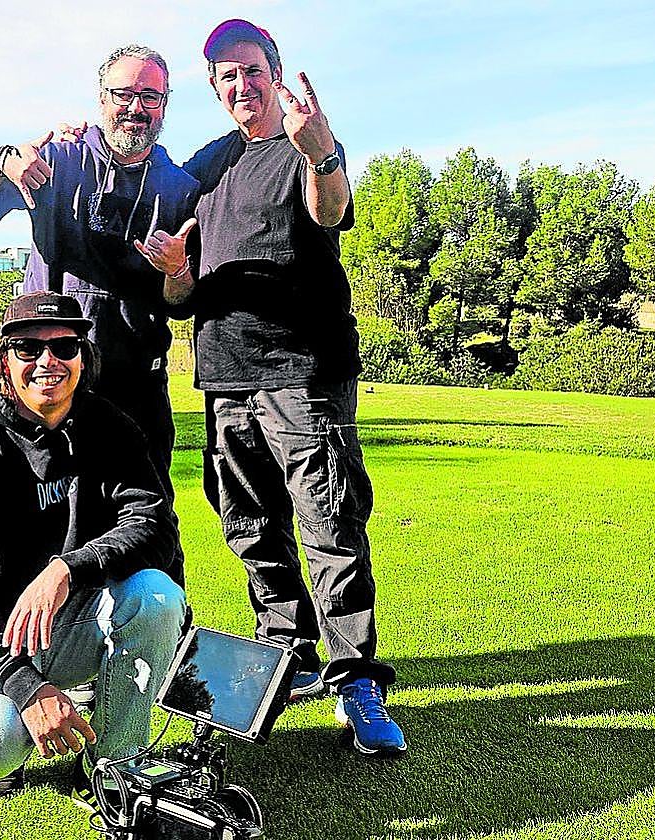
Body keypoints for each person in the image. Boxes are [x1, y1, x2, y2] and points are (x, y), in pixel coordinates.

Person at [137, 19, 406, 756]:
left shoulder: (304, 144)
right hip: (223, 377)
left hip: (303, 376)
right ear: (214, 88)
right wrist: (172, 270)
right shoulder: (206, 166)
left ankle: (355, 680)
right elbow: (182, 294)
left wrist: (321, 152)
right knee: (250, 528)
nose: (240, 85)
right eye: (226, 75)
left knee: (329, 528)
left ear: (275, 73)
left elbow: (329, 209)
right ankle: (288, 653)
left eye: (252, 70)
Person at [0, 291, 187, 805]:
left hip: (73, 618)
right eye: (27, 348)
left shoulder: (113, 430)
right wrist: (24, 687)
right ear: (3, 361)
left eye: (65, 346)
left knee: (157, 595)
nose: (48, 362)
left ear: (84, 358)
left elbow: (154, 526)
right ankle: (5, 750)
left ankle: (114, 765)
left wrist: (67, 568)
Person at [0, 44, 199, 590]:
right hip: (44, 372)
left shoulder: (180, 190)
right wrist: (2, 164)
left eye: (150, 96)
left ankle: (162, 655)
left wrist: (178, 271)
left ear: (165, 104)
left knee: (149, 529)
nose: (136, 107)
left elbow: (181, 302)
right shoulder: (57, 158)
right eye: (124, 94)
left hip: (134, 383)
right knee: (21, 519)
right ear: (101, 98)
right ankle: (11, 653)